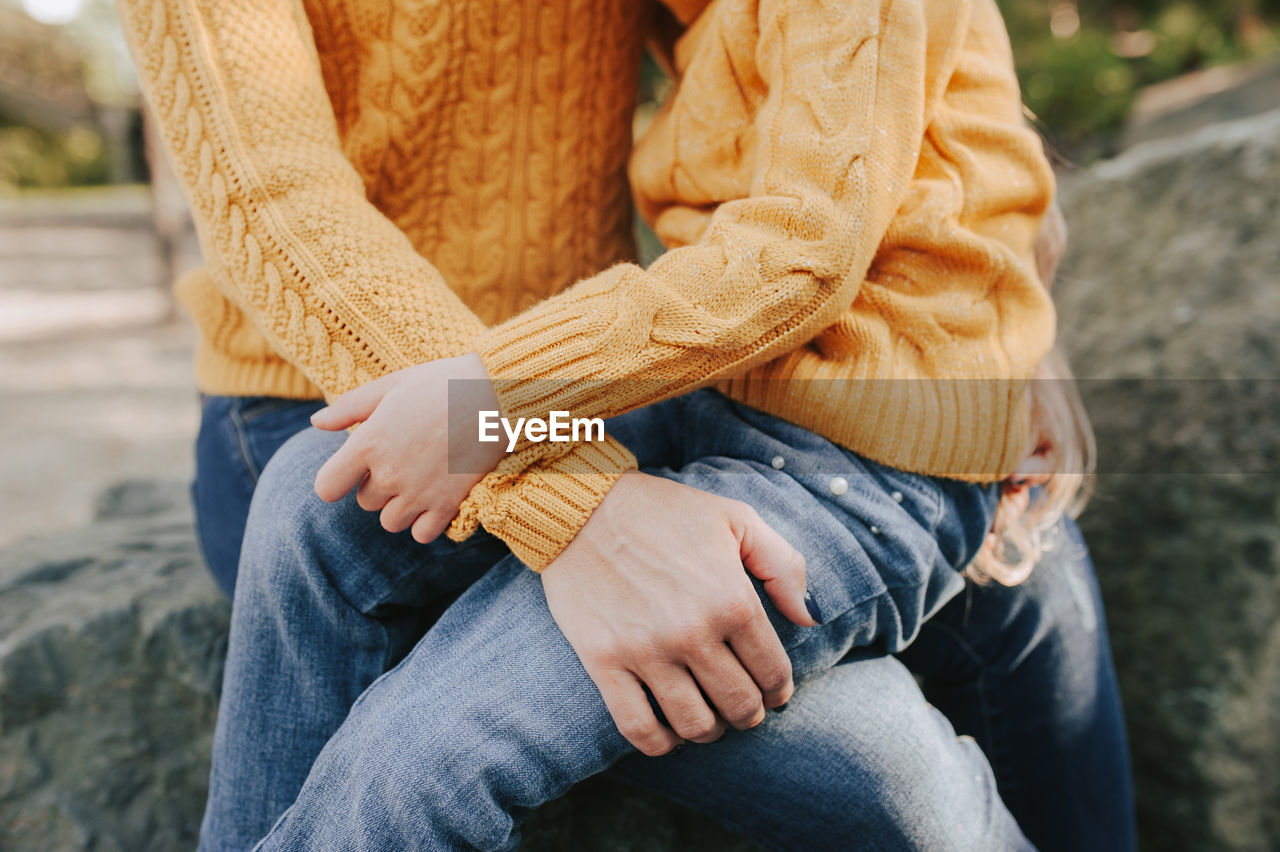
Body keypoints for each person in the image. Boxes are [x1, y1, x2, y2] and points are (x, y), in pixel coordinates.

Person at [116, 0, 1135, 847]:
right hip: (360, 380)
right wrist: (566, 495)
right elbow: (277, 209)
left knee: (1036, 580)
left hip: (618, 388)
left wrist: (1004, 328)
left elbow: (855, 155)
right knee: (322, 499)